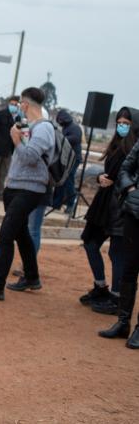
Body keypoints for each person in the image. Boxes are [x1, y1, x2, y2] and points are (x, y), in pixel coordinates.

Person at [0, 87, 54, 301]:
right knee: (21, 234)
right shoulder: (28, 126)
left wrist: (16, 140)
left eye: (20, 104)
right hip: (16, 187)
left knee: (6, 235)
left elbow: (30, 157)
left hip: (30, 190)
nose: (18, 108)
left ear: (25, 105)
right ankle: (31, 277)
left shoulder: (44, 129)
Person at [82, 108, 139, 314]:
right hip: (104, 205)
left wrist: (122, 185)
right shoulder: (116, 145)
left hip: (121, 208)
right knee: (90, 243)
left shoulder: (135, 148)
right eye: (119, 122)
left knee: (117, 253)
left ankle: (117, 298)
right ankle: (101, 286)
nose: (122, 126)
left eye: (126, 122)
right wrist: (100, 178)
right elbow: (109, 172)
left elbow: (129, 177)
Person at [99, 138, 139, 349]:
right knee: (129, 268)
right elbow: (126, 167)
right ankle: (123, 322)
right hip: (134, 213)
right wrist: (131, 190)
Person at [52, 109, 83, 213]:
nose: (59, 122)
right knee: (60, 180)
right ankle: (56, 203)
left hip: (74, 159)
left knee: (69, 181)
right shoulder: (65, 127)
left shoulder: (75, 127)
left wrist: (61, 138)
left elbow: (75, 138)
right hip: (66, 158)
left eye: (60, 120)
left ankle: (71, 204)